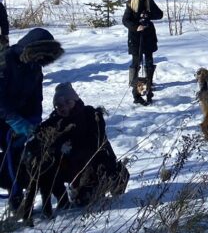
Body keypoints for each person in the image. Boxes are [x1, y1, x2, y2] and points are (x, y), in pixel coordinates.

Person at [0, 28, 64, 211]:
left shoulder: (34, 68)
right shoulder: (5, 61)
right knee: (7, 156)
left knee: (18, 155)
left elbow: (36, 97)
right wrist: (14, 120)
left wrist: (34, 120)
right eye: (39, 55)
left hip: (18, 118)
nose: (40, 60)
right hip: (5, 116)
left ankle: (17, 194)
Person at [35, 83, 127, 207]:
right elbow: (39, 135)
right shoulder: (55, 121)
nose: (64, 108)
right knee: (82, 200)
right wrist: (58, 146)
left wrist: (71, 148)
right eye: (59, 106)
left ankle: (113, 179)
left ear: (75, 100)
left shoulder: (91, 115)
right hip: (73, 169)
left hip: (98, 164)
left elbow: (95, 145)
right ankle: (76, 192)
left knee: (99, 193)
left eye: (68, 102)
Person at [121, 0, 163, 105]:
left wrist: (148, 15)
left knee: (149, 63)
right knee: (136, 62)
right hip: (135, 37)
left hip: (148, 36)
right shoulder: (131, 2)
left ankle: (148, 87)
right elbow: (125, 20)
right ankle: (135, 89)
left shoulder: (149, 2)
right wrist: (136, 27)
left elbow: (160, 14)